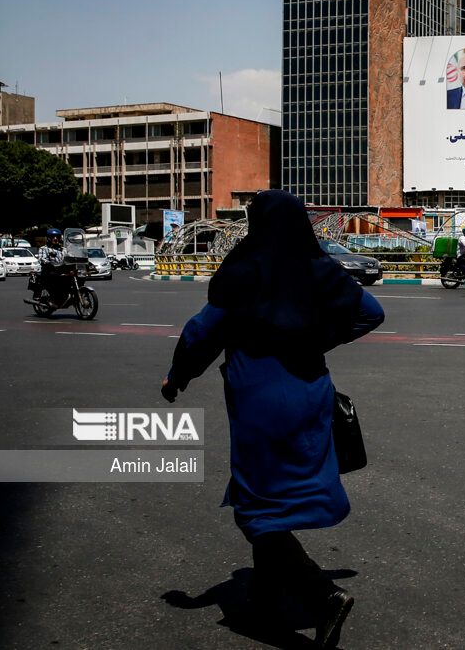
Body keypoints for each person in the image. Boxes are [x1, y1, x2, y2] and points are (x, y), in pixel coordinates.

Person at [160, 190, 384, 648]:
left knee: (256, 507)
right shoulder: (318, 268)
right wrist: (318, 340)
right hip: (310, 391)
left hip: (260, 398)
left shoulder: (244, 270)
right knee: (277, 492)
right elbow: (370, 314)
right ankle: (266, 602)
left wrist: (177, 377)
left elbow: (203, 332)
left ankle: (322, 596)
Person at [32, 227, 66, 302]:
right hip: (49, 271)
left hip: (61, 270)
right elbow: (41, 259)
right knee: (52, 277)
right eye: (53, 237)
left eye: (57, 237)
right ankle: (52, 298)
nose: (55, 239)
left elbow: (69, 257)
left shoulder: (63, 249)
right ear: (48, 238)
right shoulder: (43, 248)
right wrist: (49, 262)